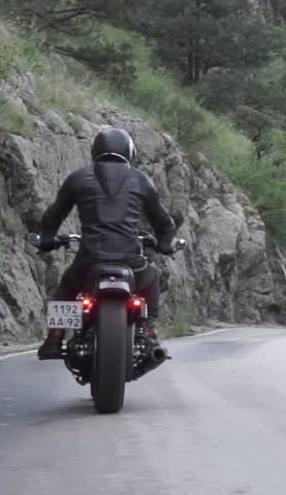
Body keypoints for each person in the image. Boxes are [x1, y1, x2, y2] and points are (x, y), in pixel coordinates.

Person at [34, 127, 179, 360]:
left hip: (89, 259)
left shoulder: (79, 177)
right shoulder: (141, 180)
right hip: (131, 261)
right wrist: (164, 245)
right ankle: (147, 330)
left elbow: (53, 215)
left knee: (68, 285)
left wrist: (47, 240)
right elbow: (165, 223)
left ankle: (54, 337)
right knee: (151, 276)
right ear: (130, 152)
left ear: (95, 151)